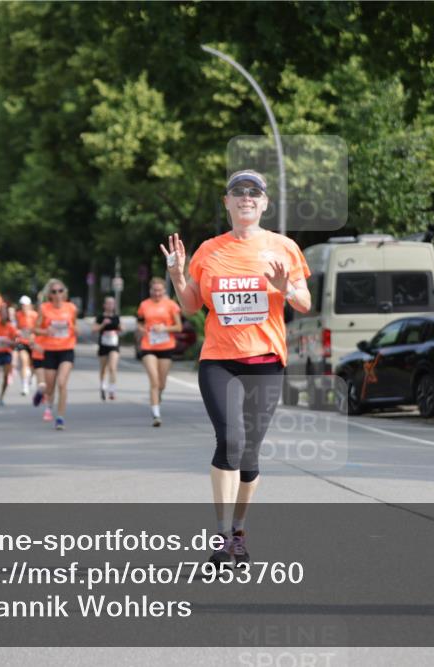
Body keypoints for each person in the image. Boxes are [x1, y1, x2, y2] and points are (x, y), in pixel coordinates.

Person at [162, 169, 312, 567]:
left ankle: (240, 531)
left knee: (250, 456)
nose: (246, 197)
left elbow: (305, 303)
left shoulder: (284, 248)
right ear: (226, 202)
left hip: (265, 362)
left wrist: (285, 287)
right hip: (218, 360)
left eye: (254, 192)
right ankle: (223, 537)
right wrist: (178, 275)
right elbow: (192, 305)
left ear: (264, 204)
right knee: (229, 440)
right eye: (238, 192)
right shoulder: (209, 250)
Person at [136, 278, 182, 426]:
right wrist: (141, 329)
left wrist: (164, 329)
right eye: (154, 290)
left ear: (164, 291)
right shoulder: (144, 305)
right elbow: (140, 322)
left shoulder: (171, 305)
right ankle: (156, 415)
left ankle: (158, 396)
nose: (157, 293)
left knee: (161, 383)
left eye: (159, 290)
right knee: (154, 381)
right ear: (150, 291)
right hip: (148, 346)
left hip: (166, 347)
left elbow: (179, 327)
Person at [34, 278, 77, 430]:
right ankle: (45, 399)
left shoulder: (71, 308)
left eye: (60, 291)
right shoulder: (44, 308)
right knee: (50, 386)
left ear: (64, 293)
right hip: (50, 350)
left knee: (62, 382)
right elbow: (36, 328)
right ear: (50, 295)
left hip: (66, 349)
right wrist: (46, 331)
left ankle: (60, 418)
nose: (57, 294)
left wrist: (74, 331)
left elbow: (75, 326)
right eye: (54, 292)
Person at [92, 295, 122, 401]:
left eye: (112, 303)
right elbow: (94, 329)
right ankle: (102, 386)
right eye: (108, 303)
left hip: (114, 344)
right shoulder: (100, 317)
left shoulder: (116, 317)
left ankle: (112, 389)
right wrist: (103, 325)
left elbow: (122, 328)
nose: (110, 305)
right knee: (103, 368)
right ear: (104, 305)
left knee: (113, 367)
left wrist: (119, 328)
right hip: (103, 344)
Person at [15, 295, 37, 396]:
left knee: (32, 365)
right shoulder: (18, 315)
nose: (23, 307)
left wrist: (32, 334)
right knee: (24, 362)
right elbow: (15, 327)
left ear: (29, 305)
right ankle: (24, 386)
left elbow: (38, 329)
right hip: (22, 342)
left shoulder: (35, 315)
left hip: (33, 343)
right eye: (22, 305)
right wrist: (18, 332)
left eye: (25, 305)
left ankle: (31, 377)